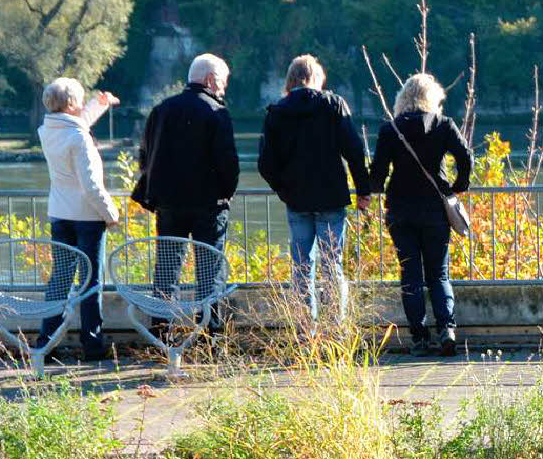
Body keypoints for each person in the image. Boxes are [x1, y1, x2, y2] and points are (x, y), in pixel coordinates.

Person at [258, 55, 371, 322]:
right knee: (333, 266)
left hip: (297, 201)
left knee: (301, 267)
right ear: (316, 78)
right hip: (331, 198)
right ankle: (335, 329)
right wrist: (363, 190)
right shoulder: (333, 105)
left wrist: (284, 189)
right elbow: (354, 151)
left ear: (291, 80)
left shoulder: (277, 111)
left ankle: (304, 330)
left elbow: (265, 164)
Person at [136, 53, 239, 339]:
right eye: (223, 82)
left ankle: (161, 334)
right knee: (210, 272)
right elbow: (228, 163)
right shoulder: (216, 112)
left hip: (168, 204)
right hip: (209, 205)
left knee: (167, 271)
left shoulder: (161, 110)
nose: (224, 88)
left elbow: (145, 156)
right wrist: (225, 194)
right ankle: (210, 336)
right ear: (210, 79)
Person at [369, 73, 473, 356]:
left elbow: (377, 173)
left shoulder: (391, 130)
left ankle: (418, 337)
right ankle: (447, 329)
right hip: (435, 210)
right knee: (438, 273)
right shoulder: (443, 125)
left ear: (403, 97)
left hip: (401, 212)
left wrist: (373, 190)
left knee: (410, 274)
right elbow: (466, 159)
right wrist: (457, 187)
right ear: (433, 97)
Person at [36, 78, 120, 361]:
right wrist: (111, 213)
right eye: (81, 101)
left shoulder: (48, 131)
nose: (84, 105)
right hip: (87, 216)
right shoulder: (79, 138)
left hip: (60, 214)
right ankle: (93, 345)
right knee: (91, 281)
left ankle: (45, 343)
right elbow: (91, 185)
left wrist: (99, 104)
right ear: (71, 105)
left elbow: (76, 123)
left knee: (60, 279)